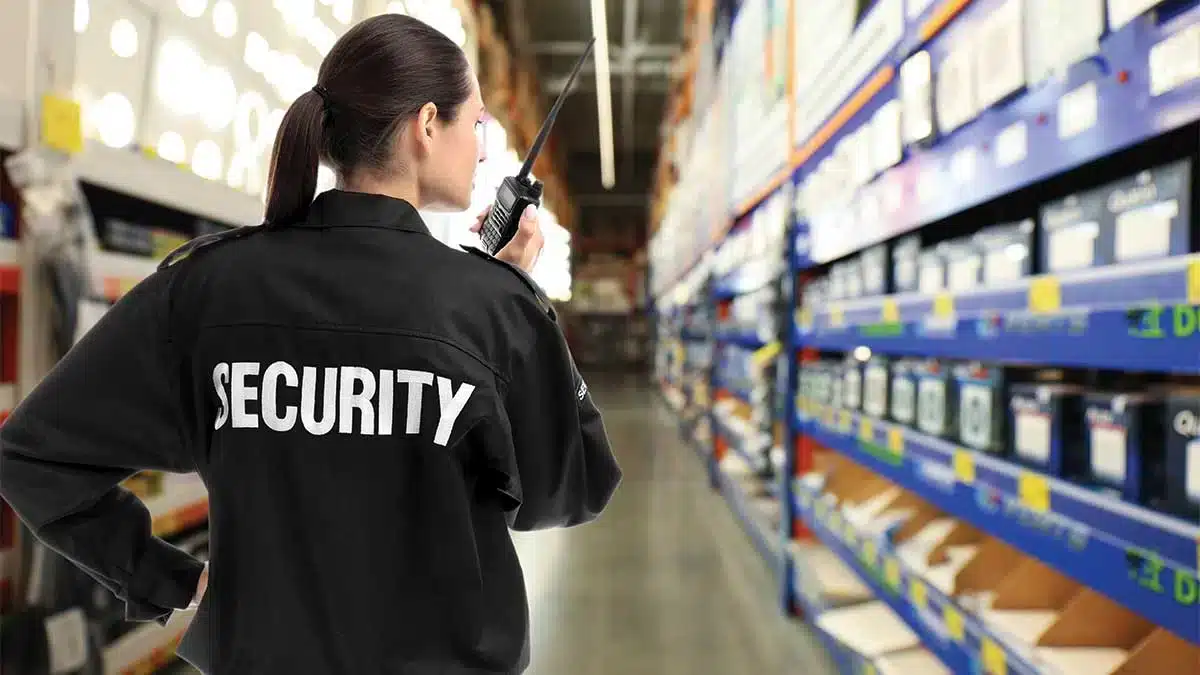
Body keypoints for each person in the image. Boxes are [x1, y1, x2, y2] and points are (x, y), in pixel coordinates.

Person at [0, 13, 621, 675]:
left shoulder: (207, 286)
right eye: (476, 124)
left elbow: (32, 457)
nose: (482, 150)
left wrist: (168, 578)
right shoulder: (490, 306)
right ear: (426, 124)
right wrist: (521, 300)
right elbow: (573, 489)